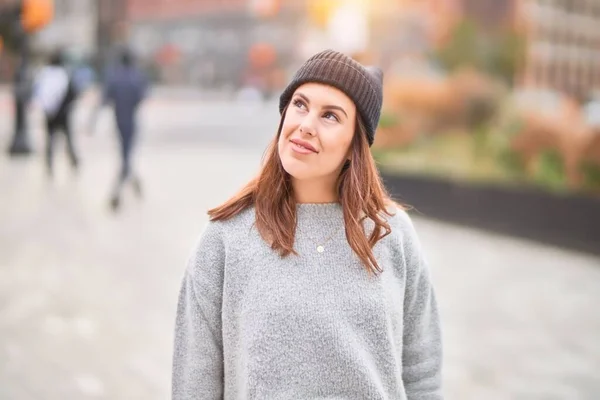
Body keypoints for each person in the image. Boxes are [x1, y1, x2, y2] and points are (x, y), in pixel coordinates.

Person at [172, 49, 443, 399]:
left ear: (353, 146)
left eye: (330, 116)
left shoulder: (392, 233)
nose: (306, 125)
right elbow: (194, 382)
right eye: (300, 104)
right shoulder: (226, 238)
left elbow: (422, 373)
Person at [99, 48, 147, 211]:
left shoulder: (115, 77)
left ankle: (124, 186)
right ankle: (122, 188)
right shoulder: (136, 77)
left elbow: (105, 99)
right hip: (131, 120)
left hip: (119, 120)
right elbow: (142, 96)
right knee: (127, 154)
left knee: (125, 154)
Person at [33, 50, 79, 177]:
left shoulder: (44, 74)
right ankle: (73, 161)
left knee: (50, 140)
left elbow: (38, 92)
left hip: (50, 114)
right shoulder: (64, 74)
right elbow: (73, 94)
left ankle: (50, 165)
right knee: (68, 140)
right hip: (63, 114)